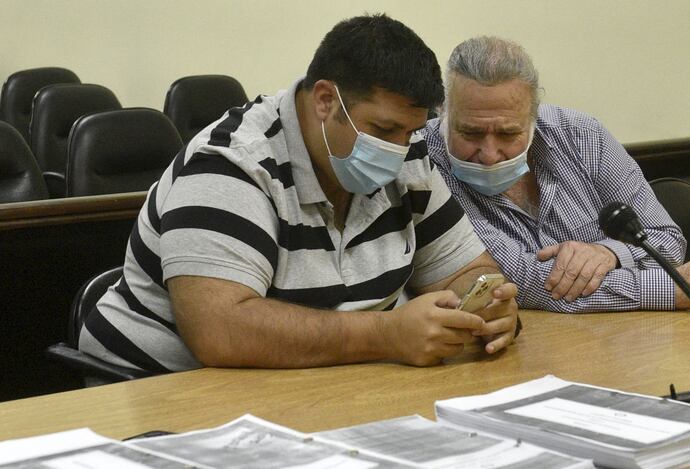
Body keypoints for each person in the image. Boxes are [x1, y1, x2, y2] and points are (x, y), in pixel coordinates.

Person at [78, 16, 519, 373]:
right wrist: (385, 335)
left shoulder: (408, 152)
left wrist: (489, 303)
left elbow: (465, 269)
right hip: (155, 387)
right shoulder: (233, 163)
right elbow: (219, 331)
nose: (399, 149)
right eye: (383, 130)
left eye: (411, 131)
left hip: (323, 381)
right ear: (326, 100)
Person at [423, 36, 690, 313]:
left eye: (509, 135)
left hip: (624, 342)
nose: (490, 154)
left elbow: (665, 239)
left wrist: (609, 253)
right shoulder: (423, 161)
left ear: (533, 119)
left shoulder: (583, 136)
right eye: (470, 133)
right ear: (444, 113)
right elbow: (516, 281)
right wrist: (674, 288)